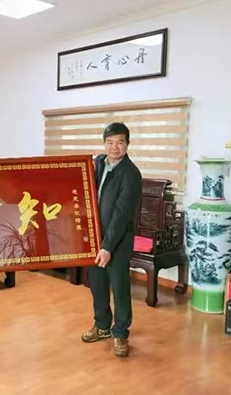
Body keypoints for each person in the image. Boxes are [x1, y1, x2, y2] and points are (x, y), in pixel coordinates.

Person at [81, 122, 142, 358]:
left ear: (128, 144)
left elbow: (121, 214)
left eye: (120, 142)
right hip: (95, 236)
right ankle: (102, 325)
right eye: (110, 142)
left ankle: (121, 333)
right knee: (97, 283)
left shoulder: (131, 174)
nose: (114, 147)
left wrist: (107, 247)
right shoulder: (97, 163)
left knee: (119, 286)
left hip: (118, 240)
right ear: (104, 143)